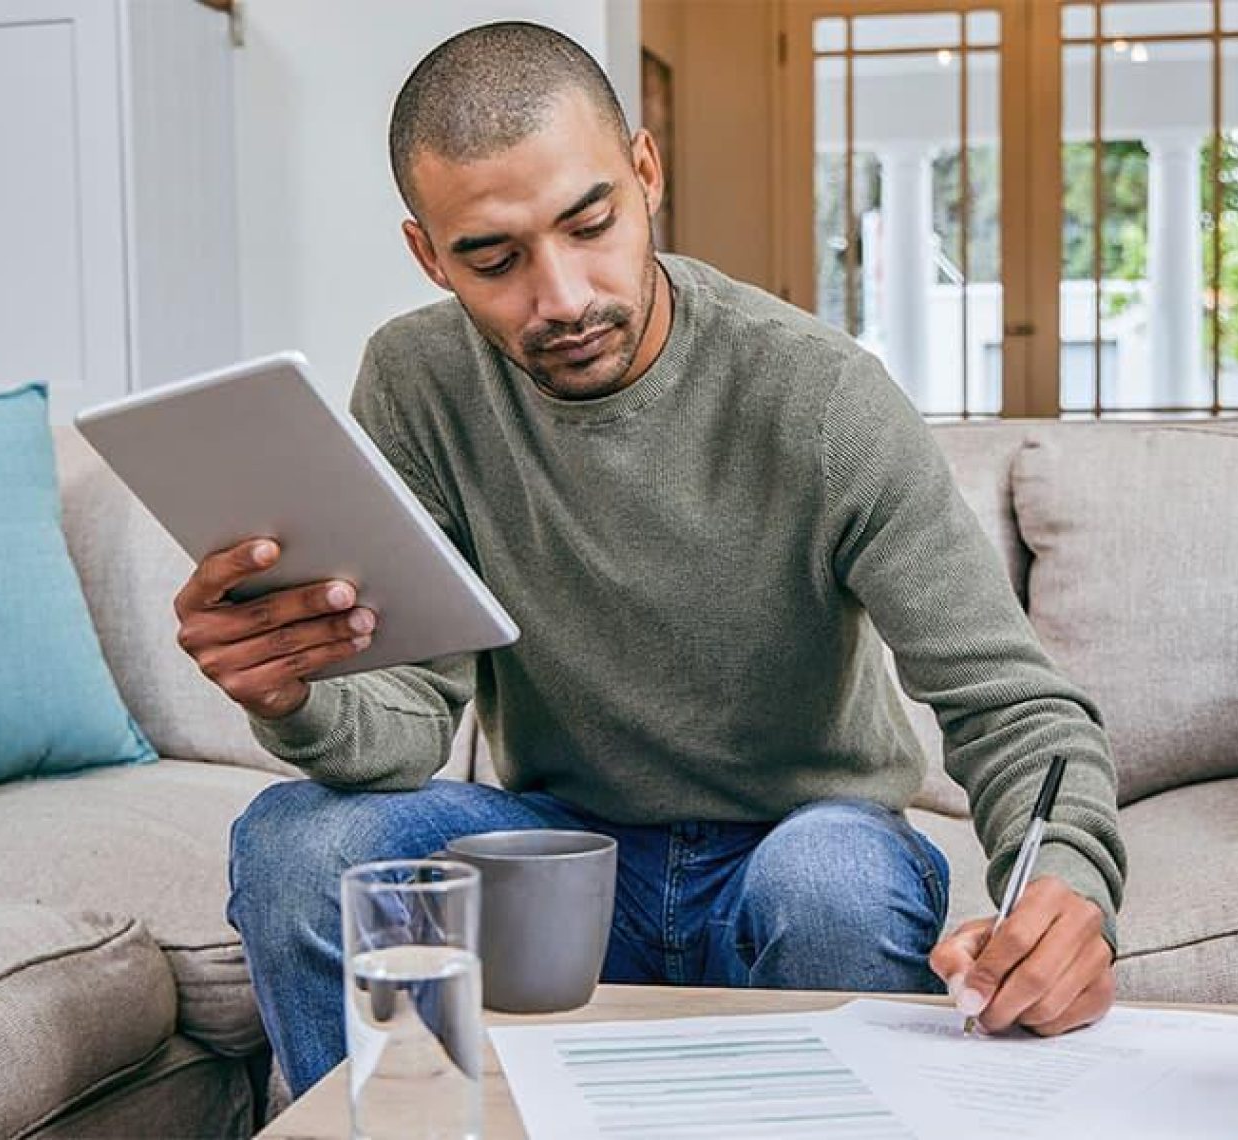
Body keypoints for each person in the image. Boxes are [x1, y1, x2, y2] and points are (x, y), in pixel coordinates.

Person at [179, 21, 1127, 1095]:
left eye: (591, 225)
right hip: (555, 866)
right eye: (493, 259)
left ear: (644, 172)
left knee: (829, 883)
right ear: (426, 254)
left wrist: (1065, 886)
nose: (565, 297)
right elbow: (403, 726)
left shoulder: (819, 397)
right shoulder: (415, 385)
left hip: (797, 850)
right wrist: (297, 691)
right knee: (297, 845)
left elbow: (1011, 705)